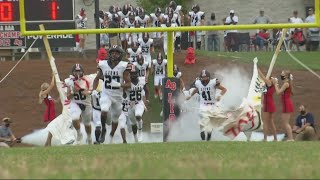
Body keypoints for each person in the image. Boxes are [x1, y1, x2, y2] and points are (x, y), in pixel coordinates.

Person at [92, 45, 131, 143]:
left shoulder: (123, 66)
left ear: (120, 54)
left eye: (116, 52)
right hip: (107, 94)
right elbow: (97, 79)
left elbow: (129, 84)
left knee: (115, 119)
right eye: (112, 52)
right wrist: (94, 89)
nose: (114, 54)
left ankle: (111, 134)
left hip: (118, 97)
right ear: (109, 54)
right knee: (104, 109)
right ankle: (103, 129)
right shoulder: (103, 64)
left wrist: (120, 85)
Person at [186, 70, 227, 141]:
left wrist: (220, 95)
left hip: (212, 105)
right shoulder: (198, 83)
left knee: (210, 122)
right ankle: (202, 131)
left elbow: (224, 89)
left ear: (209, 77)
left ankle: (209, 134)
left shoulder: (213, 82)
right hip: (203, 105)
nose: (204, 79)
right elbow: (196, 89)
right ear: (200, 78)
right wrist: (190, 95)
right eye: (203, 77)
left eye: (205, 77)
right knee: (203, 118)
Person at [65, 63, 94, 144]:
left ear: (82, 71)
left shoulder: (88, 79)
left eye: (79, 71)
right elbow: (68, 97)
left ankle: (89, 138)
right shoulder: (69, 81)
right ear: (72, 72)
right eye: (75, 71)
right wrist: (73, 92)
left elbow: (92, 91)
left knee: (87, 124)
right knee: (74, 118)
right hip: (76, 103)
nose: (77, 73)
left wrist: (86, 92)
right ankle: (79, 133)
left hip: (86, 104)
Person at [272, 70, 294, 141]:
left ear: (286, 76)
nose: (281, 75)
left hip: (287, 104)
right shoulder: (286, 83)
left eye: (282, 74)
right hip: (285, 103)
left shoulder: (286, 84)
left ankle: (291, 138)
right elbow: (281, 93)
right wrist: (277, 85)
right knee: (285, 122)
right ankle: (290, 138)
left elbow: (278, 92)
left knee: (286, 123)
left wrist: (275, 84)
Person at [258, 68, 277, 141]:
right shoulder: (270, 85)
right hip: (270, 103)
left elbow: (262, 77)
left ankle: (265, 138)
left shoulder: (269, 83)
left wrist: (258, 69)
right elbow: (263, 93)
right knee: (271, 122)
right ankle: (275, 138)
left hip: (268, 104)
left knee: (265, 122)